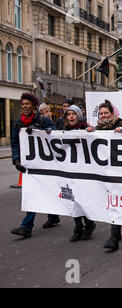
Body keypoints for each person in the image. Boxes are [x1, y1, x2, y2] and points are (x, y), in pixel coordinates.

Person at [87, 100, 122, 252]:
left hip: (121, 172)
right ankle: (116, 233)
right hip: (104, 172)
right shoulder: (96, 129)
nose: (103, 115)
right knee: (109, 202)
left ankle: (114, 237)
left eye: (106, 113)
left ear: (112, 114)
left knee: (116, 203)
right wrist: (87, 133)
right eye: (101, 113)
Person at [10, 93, 60, 238]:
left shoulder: (43, 119)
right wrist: (16, 160)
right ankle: (26, 226)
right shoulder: (19, 123)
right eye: (23, 104)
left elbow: (54, 134)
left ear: (33, 106)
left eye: (27, 104)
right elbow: (15, 143)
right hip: (29, 165)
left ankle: (53, 216)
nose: (24, 106)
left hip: (45, 163)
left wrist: (39, 131)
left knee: (49, 189)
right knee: (32, 192)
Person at [60, 105, 97, 242]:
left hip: (83, 171)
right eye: (68, 114)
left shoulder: (85, 129)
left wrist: (90, 132)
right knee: (72, 199)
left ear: (78, 116)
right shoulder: (62, 131)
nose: (71, 116)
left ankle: (88, 224)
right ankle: (78, 227)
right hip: (69, 170)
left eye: (73, 114)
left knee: (82, 200)